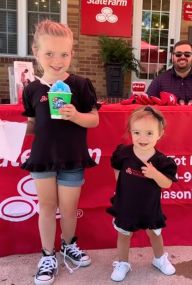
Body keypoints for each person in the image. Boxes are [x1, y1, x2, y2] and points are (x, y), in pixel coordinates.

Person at [21, 20, 100, 285]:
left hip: (72, 158)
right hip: (42, 158)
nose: (57, 60)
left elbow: (94, 120)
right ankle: (47, 254)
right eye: (49, 54)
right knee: (46, 207)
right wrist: (14, 132)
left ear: (72, 54)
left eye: (64, 54)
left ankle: (68, 245)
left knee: (68, 209)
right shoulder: (32, 89)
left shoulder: (80, 85)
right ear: (36, 52)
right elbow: (34, 125)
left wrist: (76, 115)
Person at [107, 106, 177, 282]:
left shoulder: (162, 161)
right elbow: (116, 167)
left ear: (160, 134)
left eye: (149, 133)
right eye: (136, 132)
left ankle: (159, 259)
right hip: (126, 204)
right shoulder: (123, 153)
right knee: (124, 234)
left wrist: (155, 175)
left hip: (150, 206)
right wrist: (120, 187)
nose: (142, 138)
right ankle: (122, 262)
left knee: (155, 233)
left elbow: (167, 184)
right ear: (130, 132)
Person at [146, 40, 192, 105]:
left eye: (187, 54)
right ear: (172, 57)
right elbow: (147, 104)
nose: (182, 57)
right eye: (178, 54)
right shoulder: (160, 80)